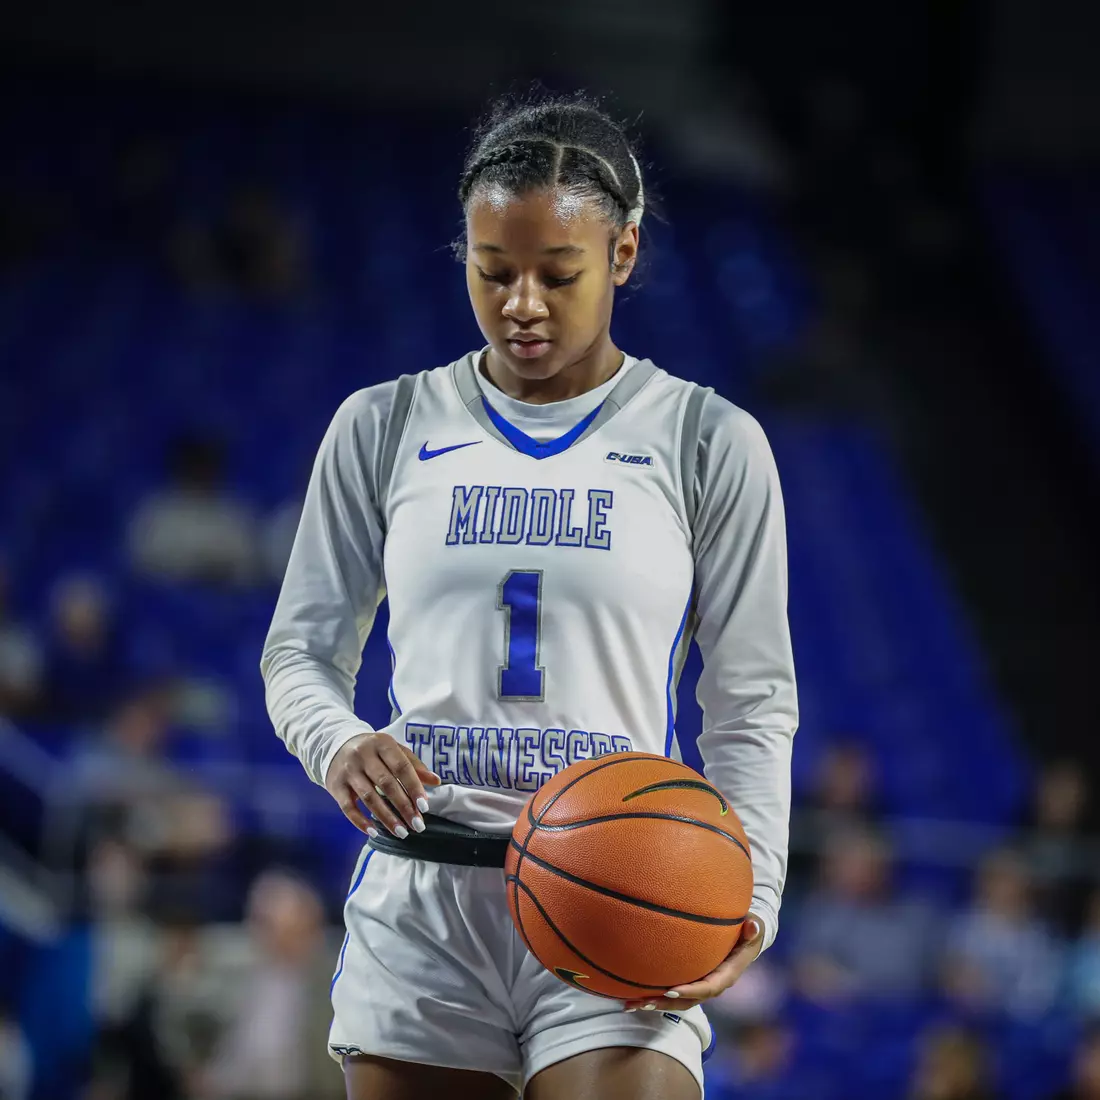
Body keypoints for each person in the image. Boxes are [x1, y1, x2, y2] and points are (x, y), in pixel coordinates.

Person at [262, 91, 798, 1100]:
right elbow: (297, 654)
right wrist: (337, 739)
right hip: (424, 892)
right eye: (491, 268)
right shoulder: (381, 424)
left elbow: (751, 698)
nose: (520, 302)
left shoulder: (706, 439)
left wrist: (751, 892)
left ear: (624, 254)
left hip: (626, 882)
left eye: (558, 274)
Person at [128, 432, 259, 586]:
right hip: (166, 601)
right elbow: (142, 567)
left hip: (220, 603)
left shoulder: (234, 515)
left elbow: (249, 568)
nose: (200, 475)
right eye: (194, 468)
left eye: (205, 468)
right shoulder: (157, 514)